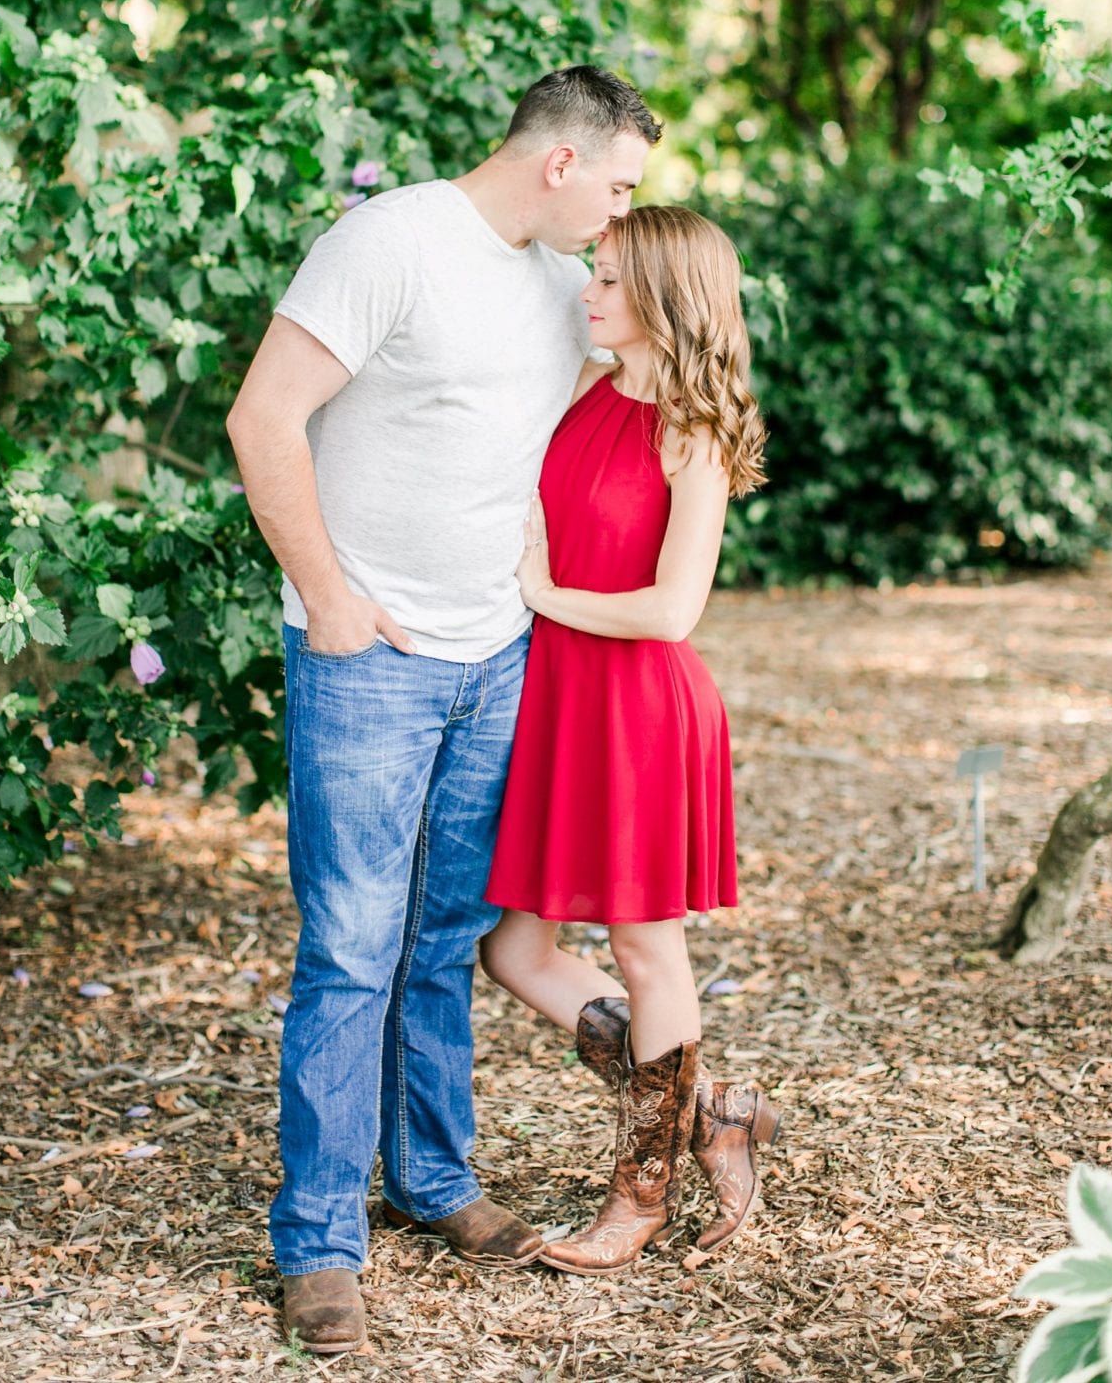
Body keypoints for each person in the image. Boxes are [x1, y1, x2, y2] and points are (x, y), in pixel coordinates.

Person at [225, 67, 662, 1353]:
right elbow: (264, 422)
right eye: (623, 183)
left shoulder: (556, 289)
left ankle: (432, 1184)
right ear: (563, 163)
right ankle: (317, 1244)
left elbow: (651, 359)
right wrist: (332, 601)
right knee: (352, 949)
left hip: (496, 660)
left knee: (440, 942)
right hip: (369, 661)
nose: (626, 212)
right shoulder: (390, 241)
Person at [481, 204, 781, 1275]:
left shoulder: (689, 430)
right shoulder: (584, 390)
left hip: (640, 709)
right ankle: (710, 1118)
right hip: (562, 701)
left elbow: (669, 611)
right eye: (593, 274)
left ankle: (638, 1198)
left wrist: (544, 591)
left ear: (661, 297)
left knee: (647, 950)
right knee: (513, 949)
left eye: (608, 281)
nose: (588, 294)